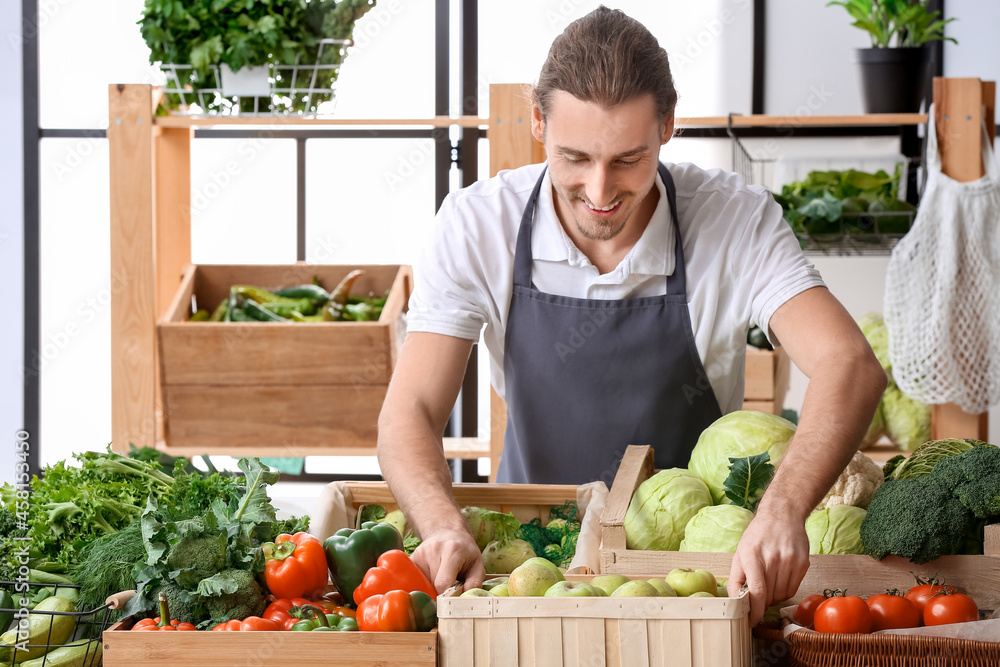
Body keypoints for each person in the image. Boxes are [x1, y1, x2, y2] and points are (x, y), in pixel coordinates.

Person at [376, 6, 885, 625]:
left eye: (627, 160)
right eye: (574, 158)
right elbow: (411, 410)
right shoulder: (478, 224)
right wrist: (440, 524)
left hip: (686, 581)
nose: (599, 191)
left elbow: (849, 365)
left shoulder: (734, 220)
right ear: (537, 121)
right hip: (531, 565)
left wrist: (782, 510)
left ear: (667, 125)